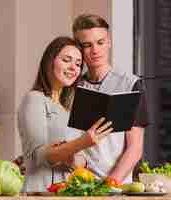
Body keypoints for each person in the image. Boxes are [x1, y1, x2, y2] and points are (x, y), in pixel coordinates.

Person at [17, 36, 113, 192]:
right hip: (40, 193)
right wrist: (82, 142)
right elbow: (37, 156)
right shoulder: (34, 99)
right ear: (50, 61)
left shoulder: (68, 108)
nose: (73, 68)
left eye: (78, 64)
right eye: (66, 60)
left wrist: (73, 158)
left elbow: (79, 162)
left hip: (67, 192)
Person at [72, 14, 148, 184]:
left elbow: (135, 149)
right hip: (78, 184)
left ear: (109, 42)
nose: (95, 50)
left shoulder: (131, 83)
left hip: (117, 187)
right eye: (87, 45)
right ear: (79, 48)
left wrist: (109, 185)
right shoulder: (73, 86)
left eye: (100, 42)